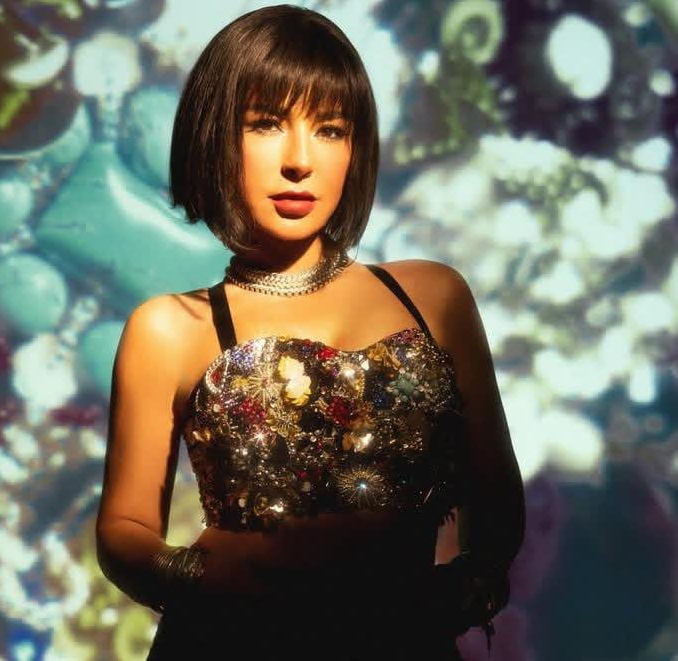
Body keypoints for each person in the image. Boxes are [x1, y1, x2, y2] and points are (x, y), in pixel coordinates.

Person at [95, 5, 525, 659]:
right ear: (215, 135)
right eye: (266, 124)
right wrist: (206, 583)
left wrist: (459, 593)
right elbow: (123, 530)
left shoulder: (434, 297)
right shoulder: (169, 329)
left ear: (356, 148)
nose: (300, 160)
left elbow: (496, 499)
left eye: (329, 129)